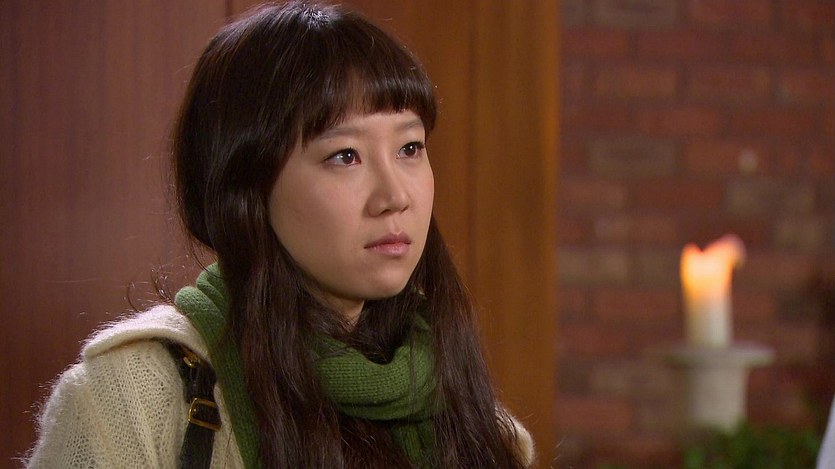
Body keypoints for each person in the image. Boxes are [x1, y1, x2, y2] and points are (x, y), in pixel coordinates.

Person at [25, 2, 534, 468]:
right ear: (247, 185)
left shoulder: (483, 428)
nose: (395, 196)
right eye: (345, 156)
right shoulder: (130, 401)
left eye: (410, 148)